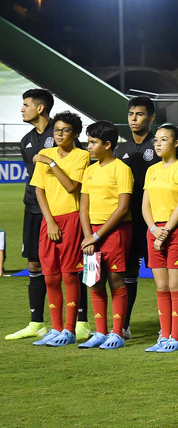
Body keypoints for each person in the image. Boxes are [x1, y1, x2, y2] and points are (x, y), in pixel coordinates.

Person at [27, 112, 90, 347]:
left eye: (64, 131)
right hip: (49, 221)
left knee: (69, 275)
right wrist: (49, 221)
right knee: (50, 276)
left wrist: (51, 164)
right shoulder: (47, 154)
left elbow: (72, 187)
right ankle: (55, 328)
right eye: (56, 130)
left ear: (75, 134)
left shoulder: (81, 156)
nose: (59, 134)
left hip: (72, 220)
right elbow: (39, 190)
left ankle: (70, 329)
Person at [77, 121, 134, 350]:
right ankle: (100, 332)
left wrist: (97, 235)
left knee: (115, 279)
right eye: (88, 141)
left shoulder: (121, 169)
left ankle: (117, 333)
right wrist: (88, 235)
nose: (89, 146)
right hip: (93, 234)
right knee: (94, 280)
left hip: (115, 231)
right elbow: (83, 207)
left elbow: (122, 208)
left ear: (108, 144)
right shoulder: (90, 171)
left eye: (93, 142)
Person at [141, 123, 178, 353]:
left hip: (175, 233)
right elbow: (145, 205)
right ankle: (164, 335)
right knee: (161, 287)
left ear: (176, 143)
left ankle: (175, 337)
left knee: (175, 286)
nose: (158, 144)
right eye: (156, 140)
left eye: (163, 140)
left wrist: (165, 232)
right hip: (154, 232)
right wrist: (153, 229)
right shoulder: (151, 171)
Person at [7, 90, 54, 340]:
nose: (22, 109)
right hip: (32, 209)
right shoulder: (26, 139)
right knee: (33, 263)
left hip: (58, 209)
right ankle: (37, 323)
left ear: (40, 108)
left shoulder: (60, 132)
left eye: (26, 105)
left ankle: (79, 323)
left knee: (66, 266)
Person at [114, 96, 156, 339]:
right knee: (128, 271)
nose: (133, 118)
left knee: (164, 273)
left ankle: (168, 328)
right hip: (129, 220)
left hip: (155, 220)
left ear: (151, 118)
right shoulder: (121, 150)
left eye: (139, 114)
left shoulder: (161, 145)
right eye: (131, 114)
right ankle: (124, 325)